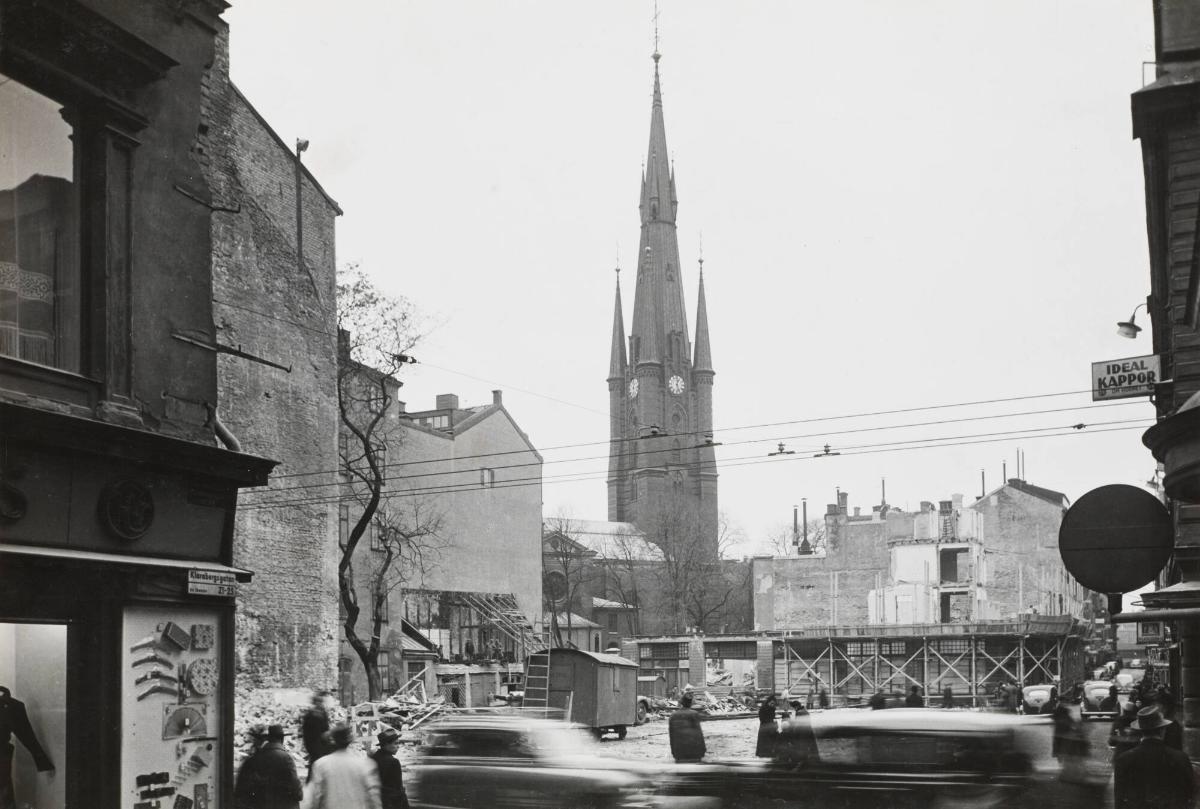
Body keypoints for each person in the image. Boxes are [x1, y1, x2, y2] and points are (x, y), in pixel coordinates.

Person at [1113, 705, 1194, 809]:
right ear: (1162, 731)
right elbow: (1189, 794)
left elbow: (1119, 800)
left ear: (1140, 731)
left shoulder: (1124, 760)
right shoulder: (1180, 758)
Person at [0, 686, 54, 809]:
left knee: (3, 791)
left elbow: (27, 735)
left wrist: (42, 761)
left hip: (1, 755)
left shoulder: (9, 706)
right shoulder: (9, 706)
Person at [308, 725, 381, 809]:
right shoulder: (365, 764)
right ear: (350, 740)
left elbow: (315, 797)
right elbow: (373, 797)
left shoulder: (321, 764)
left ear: (333, 741)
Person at [233, 724, 303, 809]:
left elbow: (240, 795)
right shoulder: (287, 759)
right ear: (282, 739)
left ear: (268, 739)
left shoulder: (252, 760)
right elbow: (298, 794)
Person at [370, 728, 409, 809]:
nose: (398, 746)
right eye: (395, 743)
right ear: (386, 744)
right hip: (391, 804)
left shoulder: (374, 758)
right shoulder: (393, 762)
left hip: (376, 803)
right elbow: (398, 789)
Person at [301, 691, 332, 783]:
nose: (321, 704)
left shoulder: (323, 714)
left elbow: (326, 729)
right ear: (315, 703)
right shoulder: (311, 715)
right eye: (319, 702)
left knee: (317, 767)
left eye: (321, 702)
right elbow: (307, 732)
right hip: (315, 745)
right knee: (315, 766)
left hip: (321, 745)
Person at [668, 693, 706, 763]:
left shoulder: (673, 715)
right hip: (694, 754)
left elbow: (671, 736)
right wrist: (702, 751)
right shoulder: (694, 714)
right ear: (691, 703)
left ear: (681, 702)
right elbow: (699, 735)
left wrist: (674, 753)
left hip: (679, 754)